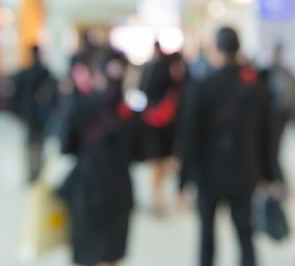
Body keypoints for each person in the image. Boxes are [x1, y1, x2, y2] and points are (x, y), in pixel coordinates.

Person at [181, 27, 275, 266]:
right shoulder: (255, 87)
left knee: (207, 236)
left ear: (216, 48)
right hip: (244, 170)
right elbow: (267, 134)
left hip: (208, 173)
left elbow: (189, 137)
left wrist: (184, 180)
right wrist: (270, 173)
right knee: (245, 233)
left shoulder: (202, 86)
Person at [59, 52, 136, 266]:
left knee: (88, 248)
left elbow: (65, 145)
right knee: (112, 251)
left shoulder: (80, 105)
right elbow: (138, 151)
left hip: (88, 183)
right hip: (119, 185)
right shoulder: (129, 109)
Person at [139, 42, 186, 215]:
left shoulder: (154, 70)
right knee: (158, 161)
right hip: (160, 124)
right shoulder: (167, 74)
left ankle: (157, 198)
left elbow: (143, 91)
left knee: (160, 161)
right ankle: (156, 199)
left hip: (159, 124)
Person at [10, 46, 57, 183]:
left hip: (29, 114)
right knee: (39, 142)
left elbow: (15, 96)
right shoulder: (45, 73)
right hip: (40, 115)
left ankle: (33, 171)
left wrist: (17, 112)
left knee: (32, 143)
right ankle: (36, 172)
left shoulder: (25, 74)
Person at [260, 44, 295, 182]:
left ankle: (277, 180)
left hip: (278, 114)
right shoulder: (271, 72)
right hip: (278, 113)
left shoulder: (283, 73)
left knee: (273, 149)